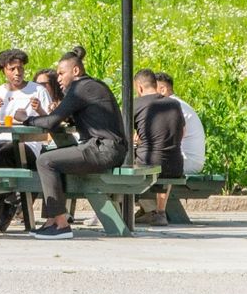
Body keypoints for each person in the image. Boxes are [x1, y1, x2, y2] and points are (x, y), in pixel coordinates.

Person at [19, 45, 128, 240]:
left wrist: (26, 119)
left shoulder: (80, 88)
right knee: (54, 160)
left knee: (46, 161)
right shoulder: (91, 86)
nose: (58, 78)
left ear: (75, 71)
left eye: (61, 73)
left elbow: (52, 121)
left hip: (103, 149)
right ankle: (52, 220)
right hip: (107, 148)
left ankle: (61, 224)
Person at [0, 49, 50, 231]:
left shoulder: (37, 91)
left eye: (20, 68)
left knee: (3, 155)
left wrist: (39, 111)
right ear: (4, 70)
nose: (17, 73)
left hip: (27, 145)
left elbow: (50, 125)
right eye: (12, 69)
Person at [132, 69, 186, 226]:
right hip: (176, 165)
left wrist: (139, 141)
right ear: (155, 85)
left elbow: (121, 134)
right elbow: (182, 131)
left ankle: (133, 210)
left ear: (139, 87)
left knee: (124, 166)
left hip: (148, 162)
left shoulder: (136, 104)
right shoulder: (174, 104)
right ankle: (160, 212)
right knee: (165, 159)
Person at [155, 72, 206, 176]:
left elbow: (164, 137)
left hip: (188, 161)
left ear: (163, 90)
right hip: (190, 160)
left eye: (152, 90)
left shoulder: (172, 106)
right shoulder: (178, 104)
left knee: (145, 163)